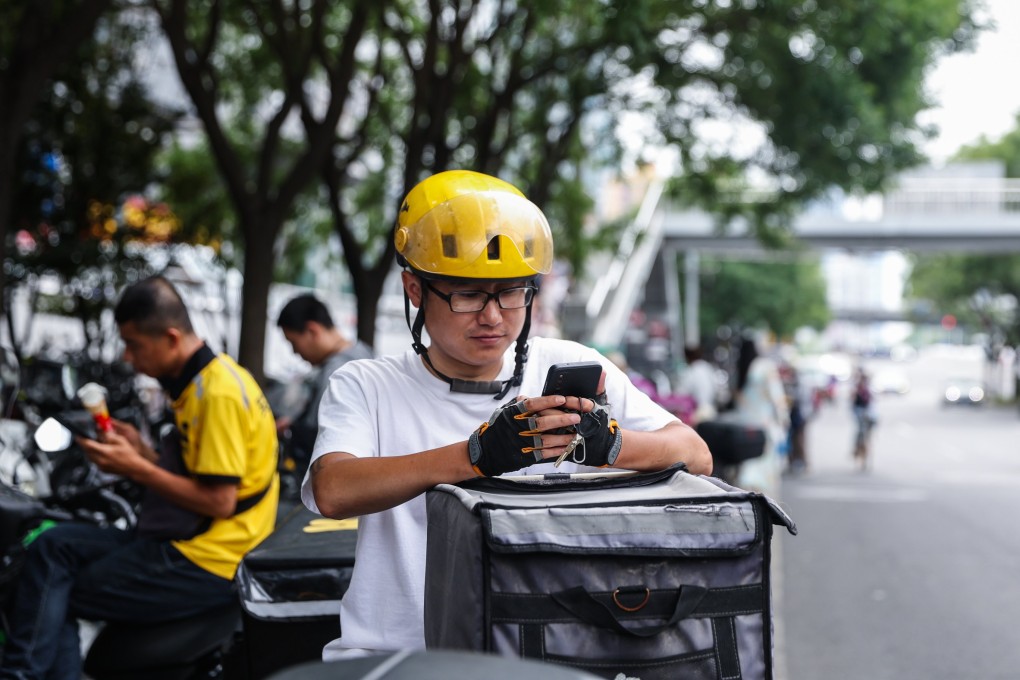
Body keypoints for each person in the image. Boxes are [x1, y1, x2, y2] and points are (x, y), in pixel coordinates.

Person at [303, 170, 713, 660]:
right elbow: (333, 489)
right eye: (468, 294)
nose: (493, 316)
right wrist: (476, 455)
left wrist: (609, 446)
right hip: (396, 658)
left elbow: (696, 455)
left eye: (511, 292)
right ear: (415, 289)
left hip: (540, 656)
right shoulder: (366, 384)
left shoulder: (566, 361)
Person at [0, 276, 279, 680]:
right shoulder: (206, 381)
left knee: (52, 592)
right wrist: (143, 453)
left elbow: (219, 500)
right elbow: (203, 470)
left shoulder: (215, 395)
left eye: (134, 345)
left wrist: (136, 468)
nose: (128, 358)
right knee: (51, 546)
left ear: (169, 338)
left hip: (207, 557)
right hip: (193, 534)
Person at [276, 294, 372, 466]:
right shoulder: (364, 352)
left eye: (293, 342)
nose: (295, 352)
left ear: (312, 331)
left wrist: (292, 431)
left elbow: (321, 434)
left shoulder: (337, 372)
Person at [730, 336, 789, 493]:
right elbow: (777, 397)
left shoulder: (740, 369)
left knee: (747, 466)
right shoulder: (765, 366)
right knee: (764, 466)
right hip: (764, 426)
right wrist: (784, 419)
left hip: (743, 426)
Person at [677, 344, 718, 424]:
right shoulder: (707, 367)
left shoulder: (691, 371)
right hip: (711, 409)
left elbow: (682, 392)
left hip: (699, 411)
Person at [851, 368, 876, 470]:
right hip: (861, 417)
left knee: (866, 438)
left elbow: (872, 405)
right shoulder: (857, 390)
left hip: (868, 418)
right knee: (861, 436)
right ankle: (857, 453)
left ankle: (863, 457)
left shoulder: (868, 390)